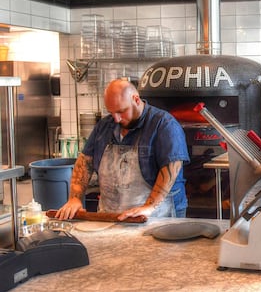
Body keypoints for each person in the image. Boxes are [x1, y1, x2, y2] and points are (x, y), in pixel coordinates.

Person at [56, 78, 190, 220]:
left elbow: (172, 167)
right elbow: (85, 162)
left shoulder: (164, 124)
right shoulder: (104, 126)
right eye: (111, 112)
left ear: (136, 100)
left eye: (121, 111)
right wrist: (75, 198)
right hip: (111, 215)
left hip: (158, 216)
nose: (116, 119)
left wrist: (149, 206)